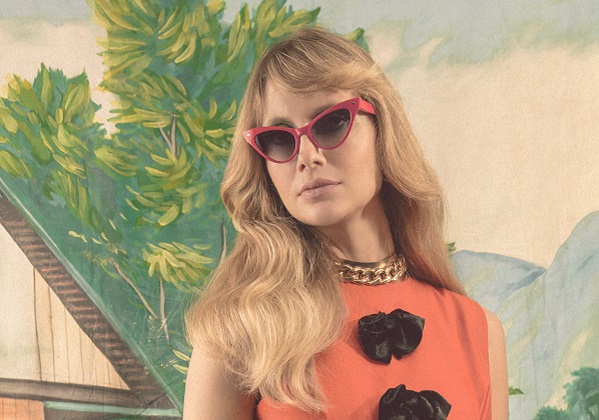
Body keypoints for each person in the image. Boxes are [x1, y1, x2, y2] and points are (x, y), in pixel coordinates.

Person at [184, 27, 508, 419]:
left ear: (382, 129)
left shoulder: (478, 331)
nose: (307, 156)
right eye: (279, 139)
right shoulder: (241, 326)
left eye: (332, 122)